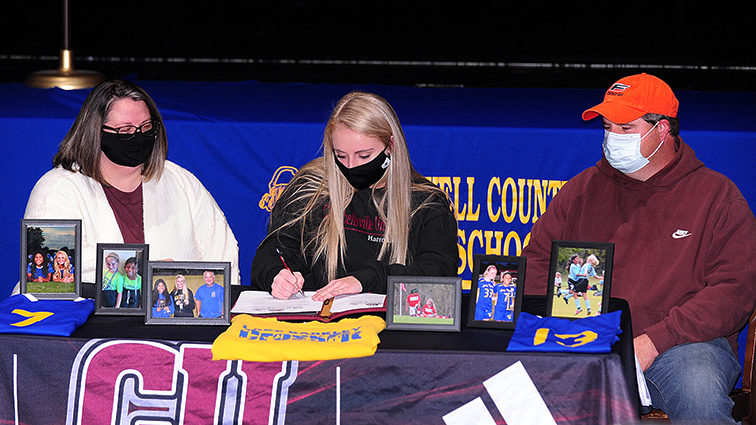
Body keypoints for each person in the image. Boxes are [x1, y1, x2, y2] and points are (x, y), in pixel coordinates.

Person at [522, 73, 756, 422]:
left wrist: (655, 340)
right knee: (509, 383)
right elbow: (537, 264)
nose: (612, 138)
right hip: (586, 339)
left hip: (683, 346)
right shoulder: (581, 191)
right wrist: (565, 330)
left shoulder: (716, 197)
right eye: (606, 126)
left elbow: (735, 291)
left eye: (625, 129)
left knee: (698, 388)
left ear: (662, 130)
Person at [22, 79, 240, 290]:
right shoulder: (55, 192)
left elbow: (224, 257)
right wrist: (147, 272)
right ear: (95, 133)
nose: (138, 136)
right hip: (86, 324)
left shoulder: (181, 181)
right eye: (125, 131)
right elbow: (51, 275)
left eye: (145, 127)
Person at [250, 91, 458, 301]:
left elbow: (439, 275)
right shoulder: (311, 188)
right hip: (318, 322)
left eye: (364, 155)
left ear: (391, 146)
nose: (351, 166)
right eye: (341, 155)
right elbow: (272, 252)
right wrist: (276, 275)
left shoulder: (425, 203)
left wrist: (364, 280)